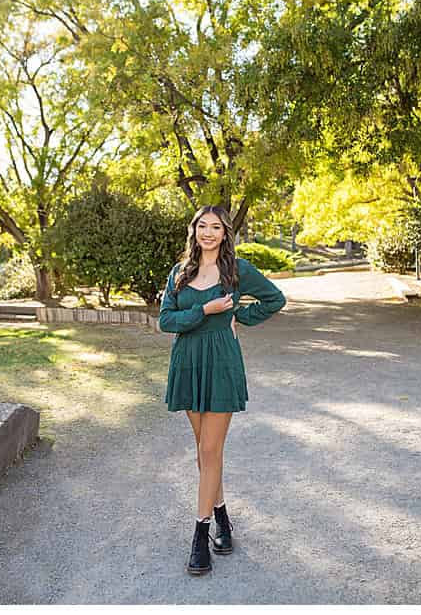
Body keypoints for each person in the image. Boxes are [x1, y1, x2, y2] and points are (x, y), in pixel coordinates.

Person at [158, 205, 288, 576]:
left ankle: (201, 535)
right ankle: (223, 518)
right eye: (203, 226)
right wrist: (206, 309)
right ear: (194, 230)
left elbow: (274, 299)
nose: (209, 233)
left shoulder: (236, 271)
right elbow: (166, 320)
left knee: (211, 449)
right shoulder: (179, 273)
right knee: (204, 454)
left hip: (220, 364)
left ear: (225, 233)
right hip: (187, 362)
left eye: (216, 227)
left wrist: (236, 316)